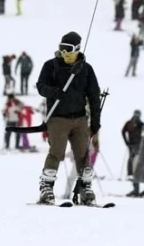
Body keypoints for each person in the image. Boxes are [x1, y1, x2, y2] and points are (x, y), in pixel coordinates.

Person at [35, 31, 102, 205]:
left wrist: (95, 121)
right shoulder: (51, 66)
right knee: (56, 152)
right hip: (58, 118)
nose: (65, 53)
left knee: (82, 153)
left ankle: (85, 188)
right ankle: (47, 188)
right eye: (62, 48)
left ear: (78, 49)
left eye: (69, 49)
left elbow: (94, 95)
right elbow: (41, 86)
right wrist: (55, 92)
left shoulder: (86, 69)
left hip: (80, 119)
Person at [122, 110, 144, 177]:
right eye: (136, 114)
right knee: (132, 157)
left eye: (138, 115)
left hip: (138, 143)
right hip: (131, 143)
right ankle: (130, 173)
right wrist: (126, 141)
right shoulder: (129, 123)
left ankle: (135, 172)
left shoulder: (141, 123)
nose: (137, 116)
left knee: (136, 157)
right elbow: (123, 131)